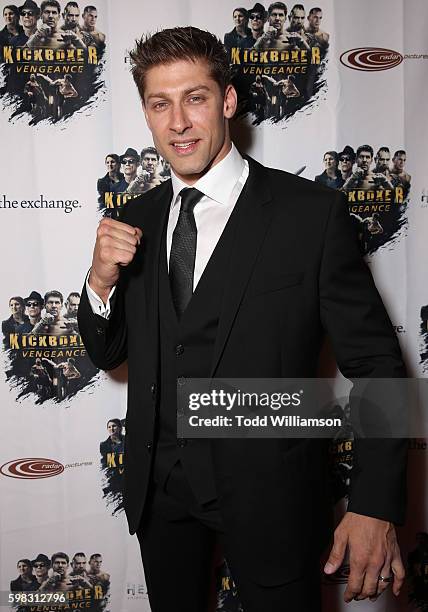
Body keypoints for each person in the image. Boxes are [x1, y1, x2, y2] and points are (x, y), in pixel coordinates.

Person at [78, 27, 407, 612]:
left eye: (195, 98)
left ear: (228, 102)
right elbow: (108, 355)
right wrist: (99, 283)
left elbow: (378, 362)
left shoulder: (310, 215)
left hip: (273, 496)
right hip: (162, 495)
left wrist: (375, 503)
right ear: (147, 117)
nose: (178, 121)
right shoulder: (135, 218)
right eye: (160, 104)